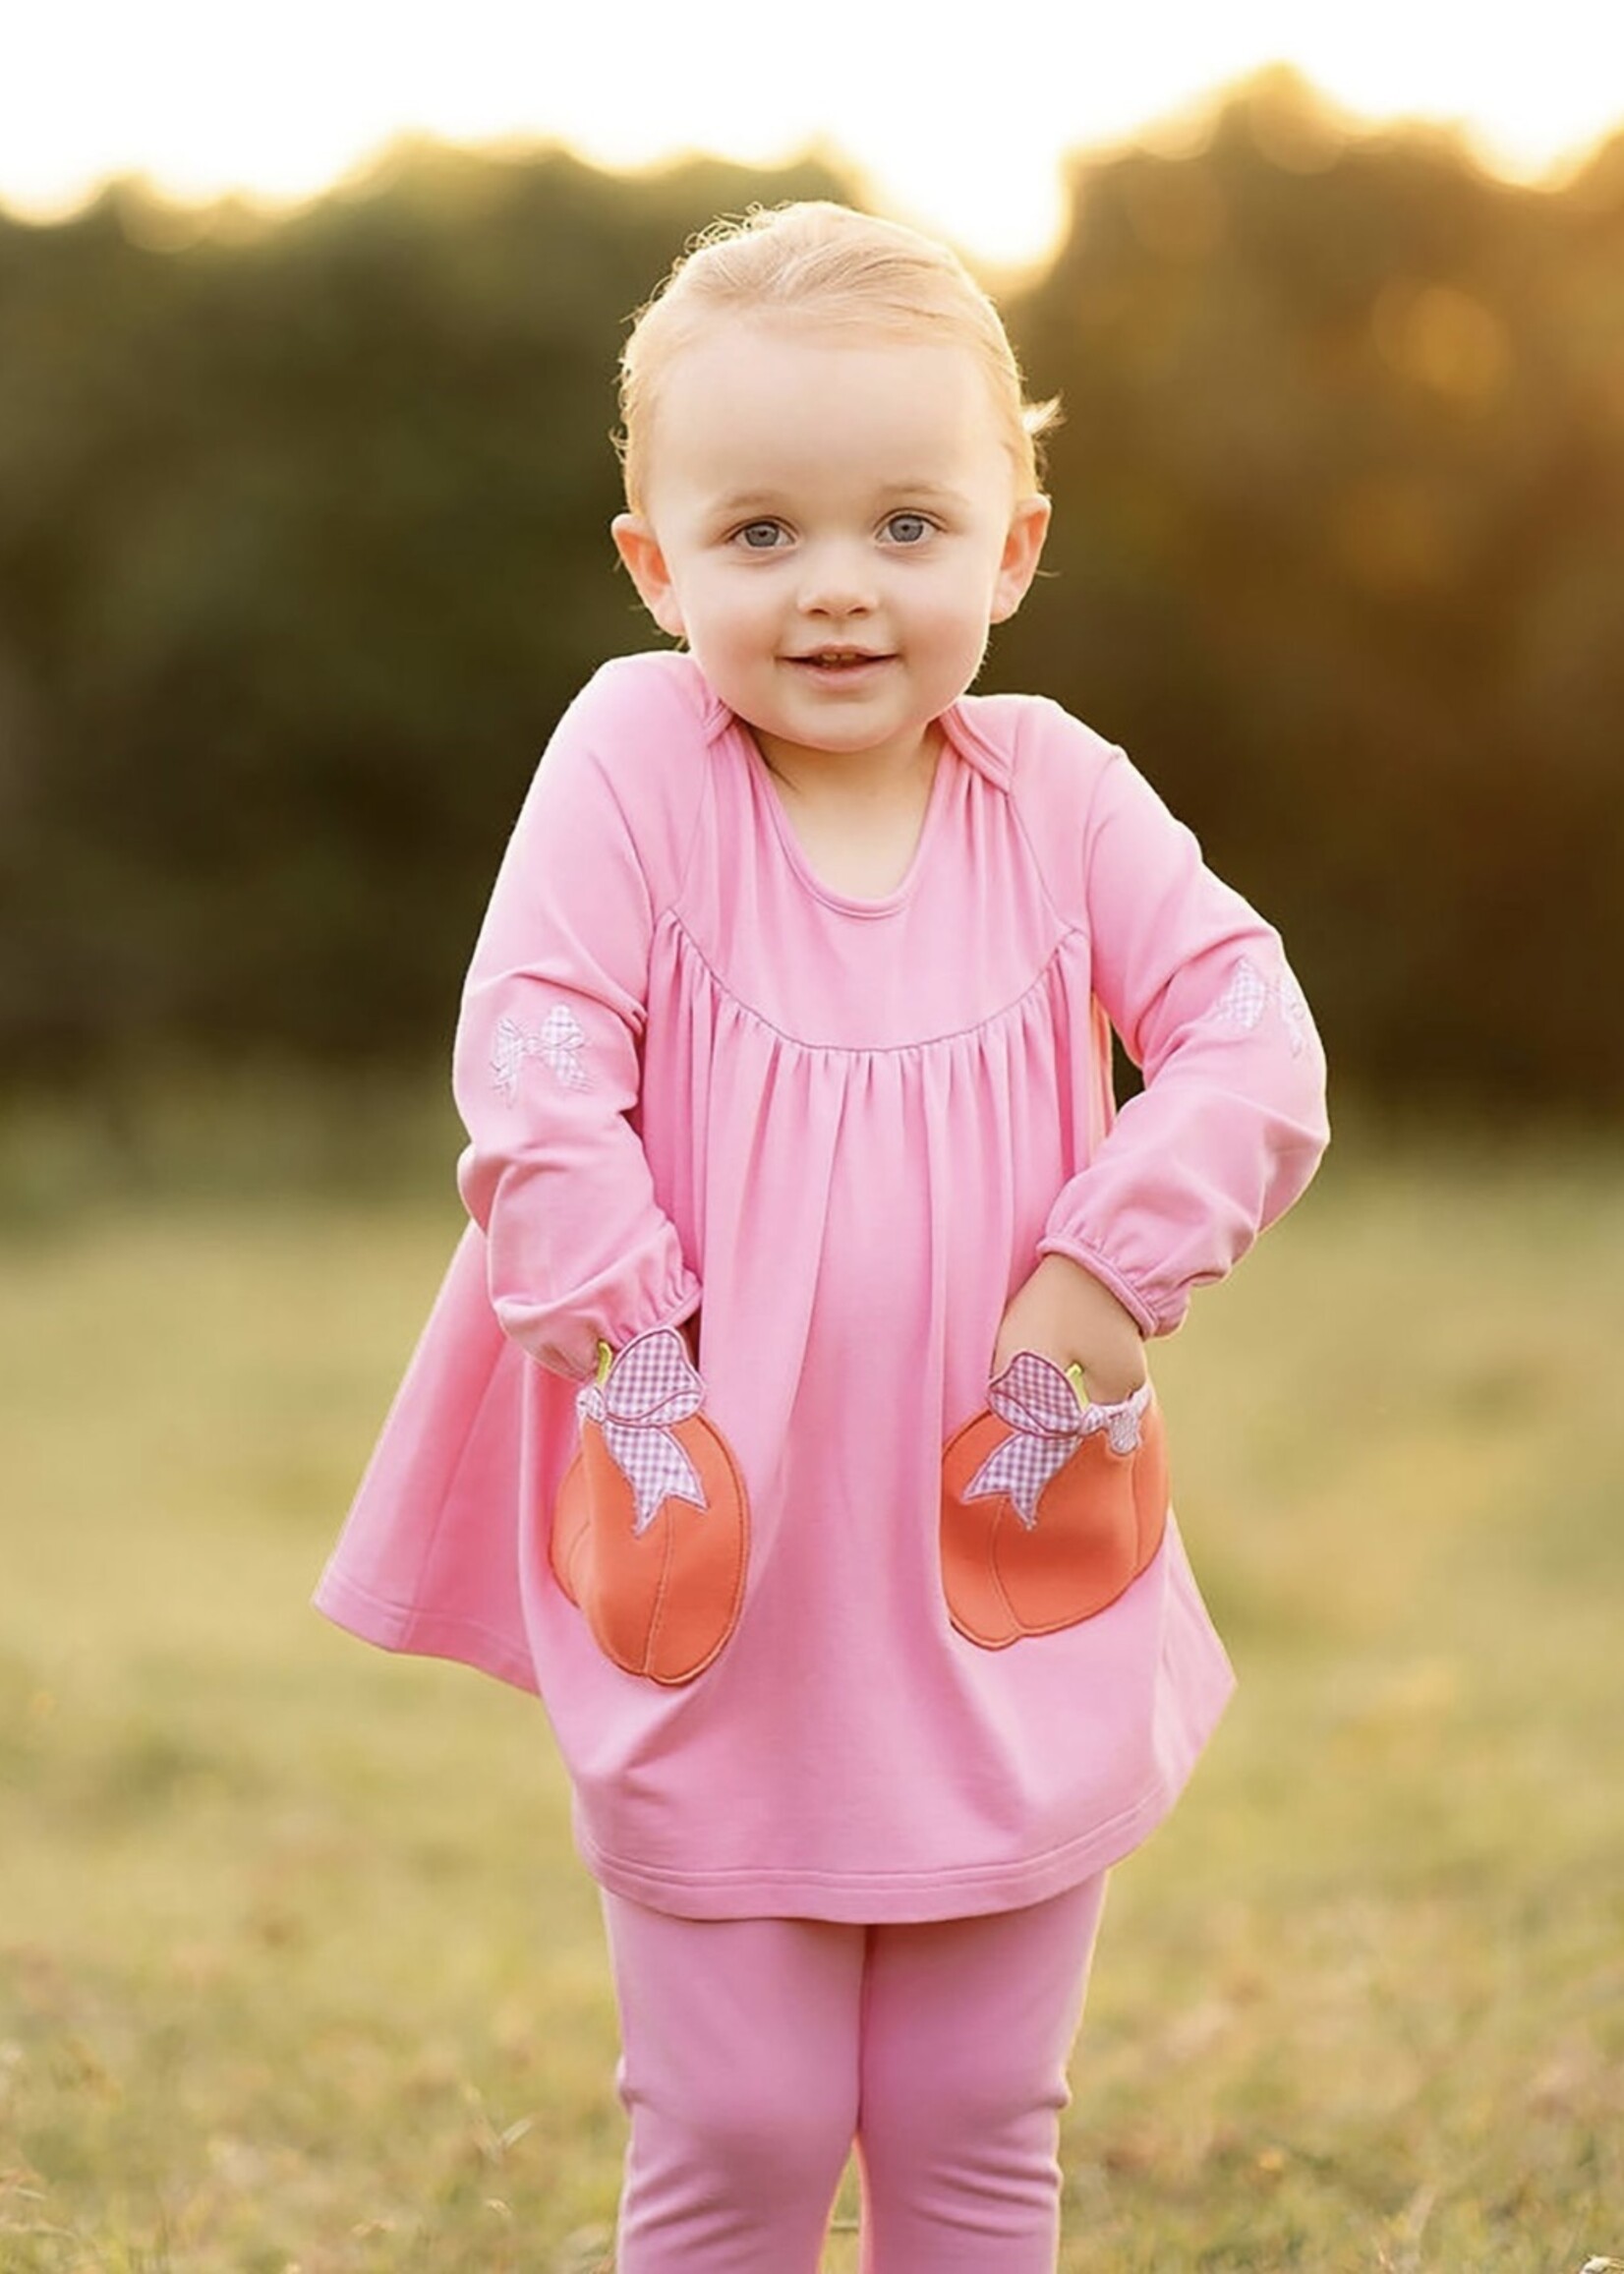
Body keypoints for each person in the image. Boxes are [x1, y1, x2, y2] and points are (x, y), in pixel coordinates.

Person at [317, 200, 1329, 2272]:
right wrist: (628, 1328)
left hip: (999, 1519)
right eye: (761, 532)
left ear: (1011, 549)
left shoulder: (1056, 795)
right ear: (657, 564)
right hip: (713, 1508)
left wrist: (1108, 1262)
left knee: (975, 2115)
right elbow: (537, 1046)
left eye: (906, 524)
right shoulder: (637, 760)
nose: (838, 585)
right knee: (741, 2117)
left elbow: (1251, 1031)